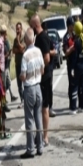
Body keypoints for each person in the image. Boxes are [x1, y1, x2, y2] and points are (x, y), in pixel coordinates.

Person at [29, 14, 54, 145]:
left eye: (31, 25)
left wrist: (38, 70)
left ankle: (45, 137)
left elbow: (47, 57)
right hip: (41, 78)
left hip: (44, 78)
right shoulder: (38, 37)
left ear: (35, 25)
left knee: (44, 107)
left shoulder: (42, 37)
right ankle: (40, 136)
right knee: (39, 107)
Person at [20, 28, 44, 158]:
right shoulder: (39, 51)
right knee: (38, 118)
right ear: (33, 39)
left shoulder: (25, 56)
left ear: (25, 40)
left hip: (29, 88)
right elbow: (42, 70)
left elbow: (23, 76)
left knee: (29, 120)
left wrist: (20, 77)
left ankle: (30, 149)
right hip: (38, 86)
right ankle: (40, 146)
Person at [70, 21, 83, 114]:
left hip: (77, 66)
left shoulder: (76, 41)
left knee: (74, 87)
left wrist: (72, 68)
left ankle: (73, 108)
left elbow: (75, 56)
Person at [63, 17, 77, 113]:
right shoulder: (66, 38)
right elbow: (66, 52)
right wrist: (73, 47)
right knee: (72, 84)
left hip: (77, 62)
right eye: (72, 25)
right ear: (69, 26)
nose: (73, 27)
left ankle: (76, 103)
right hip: (70, 63)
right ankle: (72, 103)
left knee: (77, 84)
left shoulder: (76, 35)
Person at [2, 26, 17, 102]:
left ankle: (11, 96)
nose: (6, 35)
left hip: (7, 66)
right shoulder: (1, 44)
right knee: (3, 85)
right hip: (3, 67)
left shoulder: (6, 42)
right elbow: (1, 57)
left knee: (8, 82)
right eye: (5, 34)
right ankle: (3, 101)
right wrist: (7, 54)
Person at [12, 22, 26, 108]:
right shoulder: (14, 40)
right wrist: (19, 49)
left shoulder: (24, 38)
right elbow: (14, 50)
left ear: (21, 29)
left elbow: (21, 48)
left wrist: (18, 42)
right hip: (17, 63)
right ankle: (22, 100)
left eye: (19, 28)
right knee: (19, 84)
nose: (18, 30)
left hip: (24, 64)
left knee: (25, 83)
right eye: (17, 28)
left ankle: (26, 99)